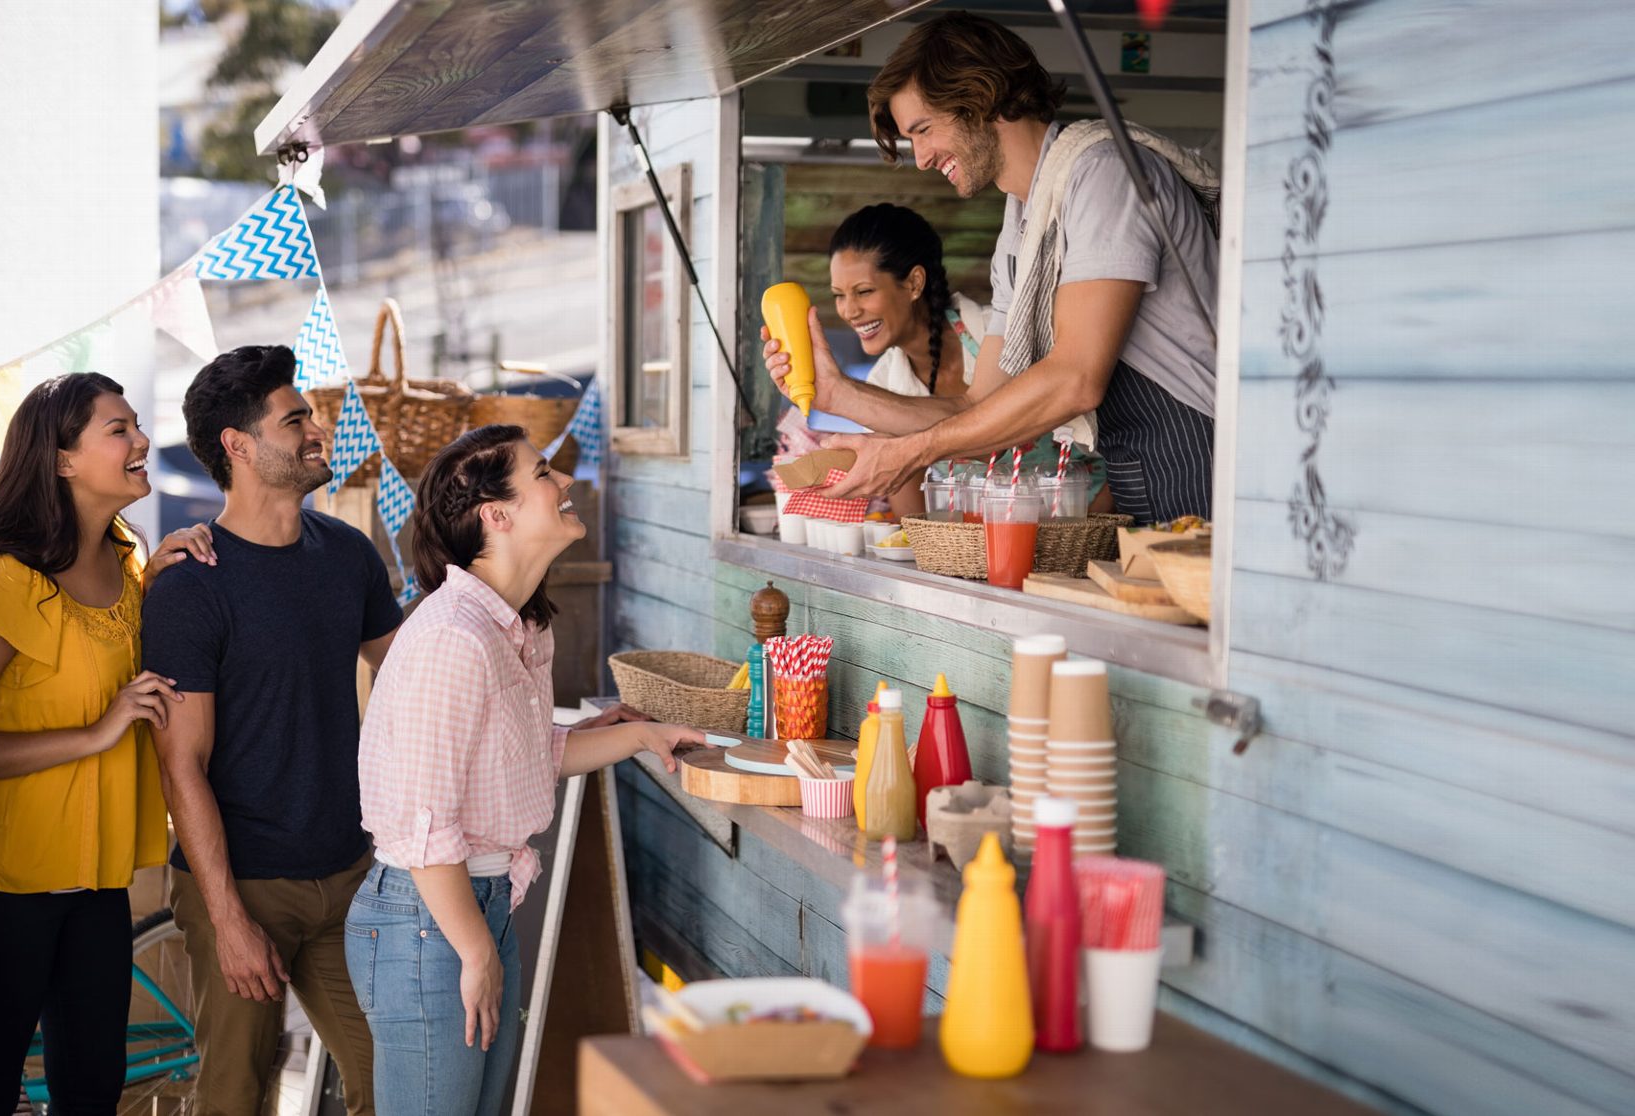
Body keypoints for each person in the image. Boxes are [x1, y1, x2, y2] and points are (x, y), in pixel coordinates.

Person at [349, 424, 702, 1116]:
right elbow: (425, 830)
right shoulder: (454, 637)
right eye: (544, 473)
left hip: (470, 916)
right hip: (430, 925)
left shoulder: (514, 627)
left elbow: (530, 759)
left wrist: (640, 738)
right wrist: (476, 952)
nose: (565, 482)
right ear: (496, 515)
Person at [768, 13, 1219, 525]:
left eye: (924, 130)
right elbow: (977, 407)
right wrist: (836, 392)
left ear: (979, 97)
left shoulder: (1102, 175)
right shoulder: (1022, 224)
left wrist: (913, 451)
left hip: (1198, 458)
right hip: (1141, 465)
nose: (920, 159)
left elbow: (1076, 378)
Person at [0, 373, 216, 1115]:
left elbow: (112, 656)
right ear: (61, 460)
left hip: (100, 886)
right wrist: (95, 733)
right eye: (117, 429)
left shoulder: (128, 560)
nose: (142, 441)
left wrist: (160, 583)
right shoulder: (3, 583)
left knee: (94, 1090)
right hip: (6, 892)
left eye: (135, 426)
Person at [140, 344, 399, 1115]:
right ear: (239, 445)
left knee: (393, 1082)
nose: (318, 429)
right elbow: (181, 763)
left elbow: (416, 672)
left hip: (349, 873)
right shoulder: (192, 584)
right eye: (296, 419)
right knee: (236, 1097)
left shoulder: (348, 554)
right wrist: (227, 920)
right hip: (244, 885)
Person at [826, 202, 1105, 519]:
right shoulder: (882, 386)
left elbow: (1101, 423)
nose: (848, 310)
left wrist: (1088, 529)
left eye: (863, 291)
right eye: (838, 295)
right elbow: (915, 521)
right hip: (984, 552)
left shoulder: (1000, 334)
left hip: (1088, 529)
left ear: (915, 283)